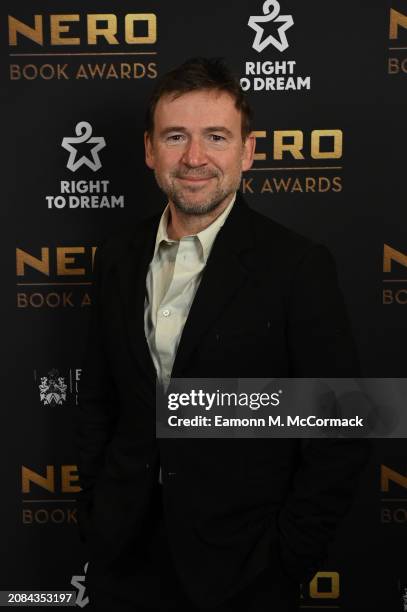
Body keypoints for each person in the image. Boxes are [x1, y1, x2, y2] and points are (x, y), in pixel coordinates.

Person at [75, 57, 370, 612]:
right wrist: (94, 512)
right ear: (148, 150)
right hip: (124, 558)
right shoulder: (117, 256)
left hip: (242, 567)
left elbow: (342, 427)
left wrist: (284, 559)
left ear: (248, 151)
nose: (194, 158)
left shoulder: (298, 265)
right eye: (175, 136)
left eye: (216, 137)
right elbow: (99, 397)